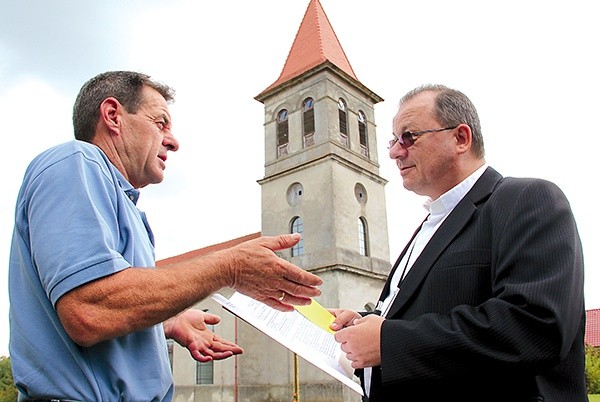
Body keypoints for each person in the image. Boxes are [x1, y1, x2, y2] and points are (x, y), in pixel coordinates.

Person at [8, 70, 323, 402]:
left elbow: (106, 310)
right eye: (160, 123)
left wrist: (166, 323)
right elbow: (90, 310)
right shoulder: (76, 162)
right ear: (113, 116)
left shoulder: (129, 209)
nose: (173, 141)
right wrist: (228, 268)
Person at [330, 84, 586, 401]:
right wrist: (362, 326)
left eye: (408, 137)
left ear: (460, 138)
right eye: (393, 141)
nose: (396, 152)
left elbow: (535, 326)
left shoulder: (527, 200)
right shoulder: (428, 226)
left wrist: (388, 340)